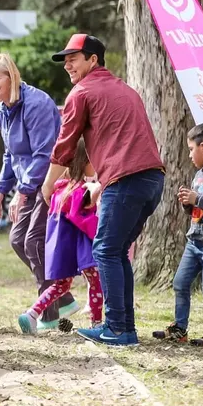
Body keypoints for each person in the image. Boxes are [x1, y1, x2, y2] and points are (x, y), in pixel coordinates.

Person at [42, 34, 164, 347]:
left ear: (93, 59)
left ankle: (116, 329)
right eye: (65, 59)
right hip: (153, 180)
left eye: (74, 57)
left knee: (106, 251)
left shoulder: (81, 91)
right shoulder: (125, 89)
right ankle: (125, 329)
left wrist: (47, 185)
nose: (67, 63)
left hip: (124, 181)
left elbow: (66, 144)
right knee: (116, 251)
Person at [0, 52, 75, 331]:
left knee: (34, 241)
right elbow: (11, 154)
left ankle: (47, 311)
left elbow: (44, 153)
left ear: (12, 75)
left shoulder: (36, 103)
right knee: (17, 240)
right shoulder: (2, 109)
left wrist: (21, 192)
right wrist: (1, 190)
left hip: (51, 180)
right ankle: (63, 297)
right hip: (28, 183)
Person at [19, 139, 102, 334]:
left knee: (60, 286)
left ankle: (32, 314)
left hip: (61, 248)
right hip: (80, 249)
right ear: (85, 161)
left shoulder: (60, 190)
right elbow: (82, 217)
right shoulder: (78, 191)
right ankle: (97, 324)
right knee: (96, 282)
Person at [154, 123, 203, 346]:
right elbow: (198, 207)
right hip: (194, 241)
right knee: (180, 283)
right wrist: (187, 205)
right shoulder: (199, 174)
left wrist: (196, 199)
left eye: (191, 149)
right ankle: (180, 328)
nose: (189, 154)